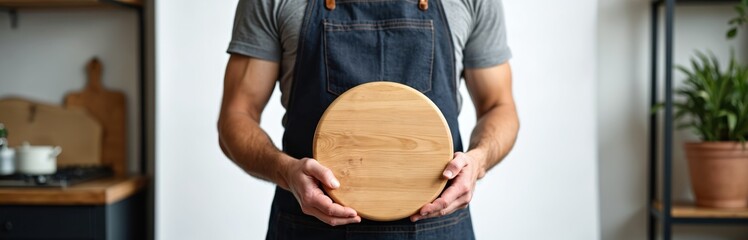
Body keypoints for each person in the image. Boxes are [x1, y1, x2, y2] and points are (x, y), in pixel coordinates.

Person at [218, 0, 518, 239]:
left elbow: (498, 105)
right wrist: (285, 172)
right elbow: (237, 114)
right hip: (308, 227)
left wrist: (478, 161)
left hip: (436, 228)